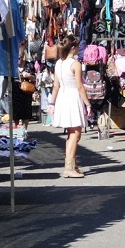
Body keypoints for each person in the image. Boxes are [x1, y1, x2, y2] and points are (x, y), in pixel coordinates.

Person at [47, 35, 91, 178]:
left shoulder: (59, 63)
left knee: (71, 133)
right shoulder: (75, 64)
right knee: (76, 133)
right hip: (73, 98)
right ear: (73, 48)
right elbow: (79, 86)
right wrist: (87, 103)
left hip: (63, 97)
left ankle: (72, 165)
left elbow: (56, 86)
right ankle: (69, 167)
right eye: (78, 47)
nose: (79, 49)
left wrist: (52, 103)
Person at [12, 40, 36, 130]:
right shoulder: (13, 67)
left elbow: (35, 78)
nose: (18, 60)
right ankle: (16, 128)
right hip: (15, 90)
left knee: (26, 112)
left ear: (23, 57)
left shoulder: (29, 65)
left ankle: (25, 129)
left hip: (26, 91)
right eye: (17, 58)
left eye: (19, 58)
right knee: (16, 112)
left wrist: (28, 75)